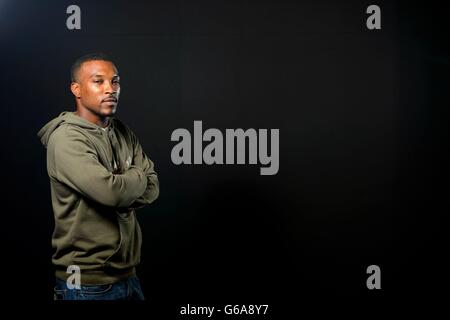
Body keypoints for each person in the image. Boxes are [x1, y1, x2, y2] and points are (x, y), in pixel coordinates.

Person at [37, 53, 159, 300]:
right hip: (86, 284)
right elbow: (111, 193)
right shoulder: (66, 139)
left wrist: (122, 187)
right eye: (98, 81)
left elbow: (154, 186)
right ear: (76, 89)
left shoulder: (123, 132)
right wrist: (136, 177)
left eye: (115, 82)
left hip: (128, 276)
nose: (110, 89)